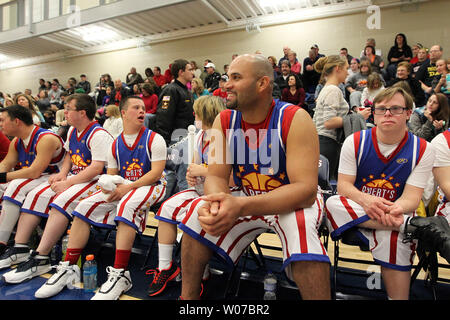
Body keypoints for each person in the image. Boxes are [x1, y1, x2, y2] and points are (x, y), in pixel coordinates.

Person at [178, 54, 331, 300]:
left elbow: (305, 191)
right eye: (228, 78)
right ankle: (188, 299)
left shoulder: (295, 118)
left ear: (262, 84)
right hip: (247, 196)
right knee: (197, 213)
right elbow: (216, 176)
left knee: (301, 226)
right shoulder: (224, 119)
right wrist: (218, 201)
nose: (226, 84)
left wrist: (239, 205)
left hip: (289, 202)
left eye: (236, 78)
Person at [34, 96, 167, 300]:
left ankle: (121, 274)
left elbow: (156, 173)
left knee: (127, 204)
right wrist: (109, 186)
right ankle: (69, 266)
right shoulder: (115, 144)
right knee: (84, 206)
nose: (142, 111)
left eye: (143, 107)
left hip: (152, 185)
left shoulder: (154, 138)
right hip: (125, 185)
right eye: (136, 107)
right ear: (123, 113)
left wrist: (127, 187)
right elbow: (112, 174)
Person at [325, 86, 450, 300]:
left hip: (395, 212)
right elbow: (345, 186)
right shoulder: (355, 141)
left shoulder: (423, 149)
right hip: (358, 214)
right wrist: (367, 201)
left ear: (409, 113)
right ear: (374, 113)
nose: (388, 114)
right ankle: (413, 227)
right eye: (381, 109)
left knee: (395, 239)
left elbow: (411, 198)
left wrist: (393, 210)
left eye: (395, 109)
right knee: (333, 203)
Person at [0, 94, 114, 284]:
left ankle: (41, 256)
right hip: (77, 177)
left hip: (99, 180)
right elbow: (69, 155)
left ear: (82, 113)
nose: (65, 112)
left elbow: (96, 168)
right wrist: (63, 174)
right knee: (37, 194)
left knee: (60, 200)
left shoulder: (98, 134)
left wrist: (67, 182)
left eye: (68, 108)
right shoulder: (72, 131)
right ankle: (20, 248)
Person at [148, 95, 226, 296]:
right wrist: (193, 175)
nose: (194, 115)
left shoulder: (227, 137)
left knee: (193, 213)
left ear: (208, 114)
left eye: (197, 112)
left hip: (223, 193)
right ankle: (166, 267)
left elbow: (234, 177)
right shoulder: (199, 135)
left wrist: (203, 171)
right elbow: (193, 167)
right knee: (167, 207)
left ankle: (200, 271)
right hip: (200, 190)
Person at [0, 105, 65, 256]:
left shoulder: (46, 138)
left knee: (16, 185)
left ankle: (3, 242)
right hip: (37, 179)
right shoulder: (17, 141)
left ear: (17, 121)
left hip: (55, 178)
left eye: (2, 120)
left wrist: (3, 177)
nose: (0, 124)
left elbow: (35, 171)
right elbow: (5, 164)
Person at [313, 55, 350, 180]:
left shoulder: (326, 89)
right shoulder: (333, 90)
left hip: (322, 142)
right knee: (323, 187)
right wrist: (357, 116)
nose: (348, 73)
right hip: (327, 143)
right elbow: (328, 122)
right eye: (346, 68)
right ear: (338, 68)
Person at [152, 59, 195, 145]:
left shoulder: (187, 91)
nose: (193, 73)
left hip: (186, 136)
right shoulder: (170, 90)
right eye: (190, 70)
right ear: (181, 72)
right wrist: (165, 143)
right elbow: (163, 118)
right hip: (174, 139)